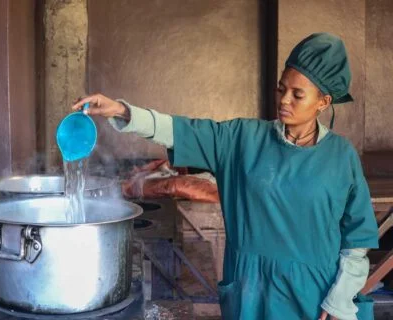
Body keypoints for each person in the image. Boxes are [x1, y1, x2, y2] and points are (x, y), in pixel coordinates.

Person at [72, 33, 378, 320]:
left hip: (315, 296)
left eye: (298, 95)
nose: (284, 100)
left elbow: (356, 239)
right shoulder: (242, 139)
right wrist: (122, 111)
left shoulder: (341, 156)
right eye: (281, 88)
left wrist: (339, 299)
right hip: (252, 292)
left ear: (323, 102)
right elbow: (179, 130)